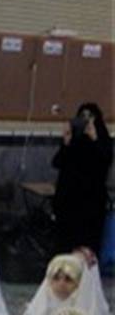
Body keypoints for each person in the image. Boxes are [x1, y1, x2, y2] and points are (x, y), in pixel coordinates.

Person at [52, 103, 113, 256]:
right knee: (66, 245)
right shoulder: (75, 139)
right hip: (69, 201)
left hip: (91, 204)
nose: (86, 120)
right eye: (82, 116)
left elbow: (105, 160)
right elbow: (57, 162)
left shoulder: (103, 139)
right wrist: (66, 142)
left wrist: (95, 138)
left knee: (87, 247)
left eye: (90, 116)